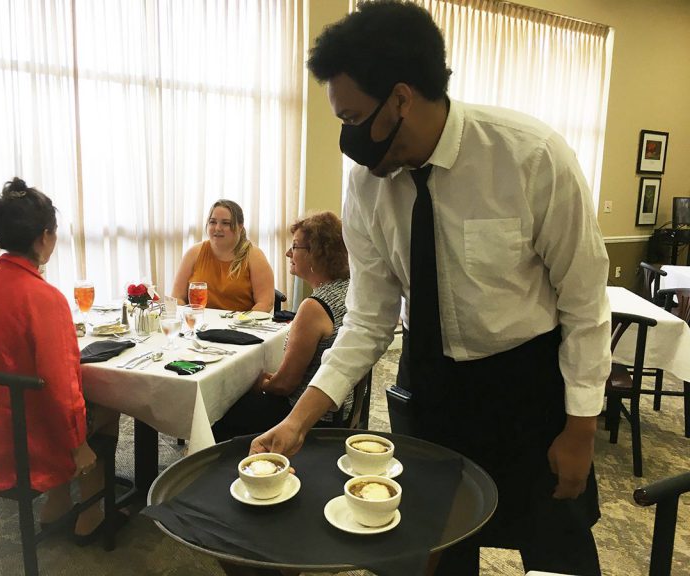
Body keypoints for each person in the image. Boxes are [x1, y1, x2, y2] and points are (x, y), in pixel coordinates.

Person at [250, 2, 610, 575]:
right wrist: (299, 419)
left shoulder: (530, 155)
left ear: (401, 98)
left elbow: (586, 303)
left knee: (557, 551)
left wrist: (581, 430)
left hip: (531, 387)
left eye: (353, 118)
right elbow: (368, 319)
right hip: (435, 386)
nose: (350, 139)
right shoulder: (367, 186)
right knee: (435, 550)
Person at [0, 177, 124, 545]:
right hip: (15, 440)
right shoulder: (44, 297)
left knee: (41, 396)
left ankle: (56, 502)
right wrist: (77, 446)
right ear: (44, 237)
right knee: (106, 403)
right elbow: (62, 382)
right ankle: (91, 514)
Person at [212, 212, 352, 441]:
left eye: (295, 246)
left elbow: (285, 385)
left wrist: (258, 384)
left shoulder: (314, 308)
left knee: (220, 415)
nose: (288, 253)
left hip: (308, 414)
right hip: (339, 404)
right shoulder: (348, 290)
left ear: (317, 253)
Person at [171, 199, 274, 312]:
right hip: (199, 324)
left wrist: (243, 323)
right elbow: (177, 298)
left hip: (239, 326)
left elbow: (265, 303)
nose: (218, 228)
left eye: (225, 223)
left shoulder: (254, 256)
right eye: (213, 222)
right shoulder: (193, 253)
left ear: (240, 226)